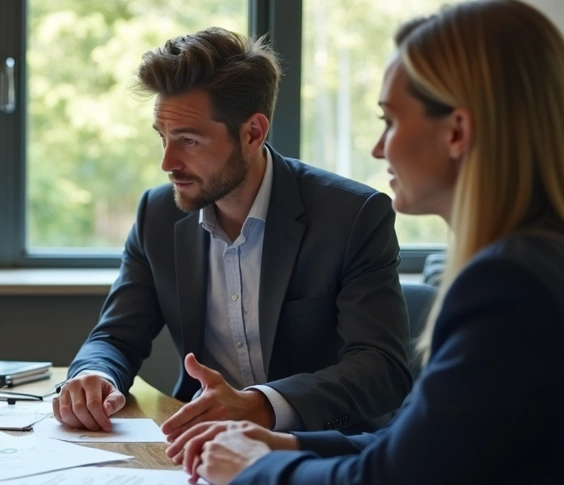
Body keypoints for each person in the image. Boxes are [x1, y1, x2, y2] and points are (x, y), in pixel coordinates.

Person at [167, 0, 564, 485]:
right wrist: (287, 446)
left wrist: (249, 469)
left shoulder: (507, 287)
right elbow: (421, 446)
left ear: (456, 132)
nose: (379, 149)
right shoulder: (536, 261)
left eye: (390, 121)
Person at [55, 27, 411, 439]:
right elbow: (116, 336)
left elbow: (382, 367)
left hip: (318, 452)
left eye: (188, 140)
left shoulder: (351, 216)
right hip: (196, 446)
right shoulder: (158, 214)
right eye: (163, 137)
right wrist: (94, 375)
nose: (167, 162)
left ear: (252, 134)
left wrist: (260, 406)